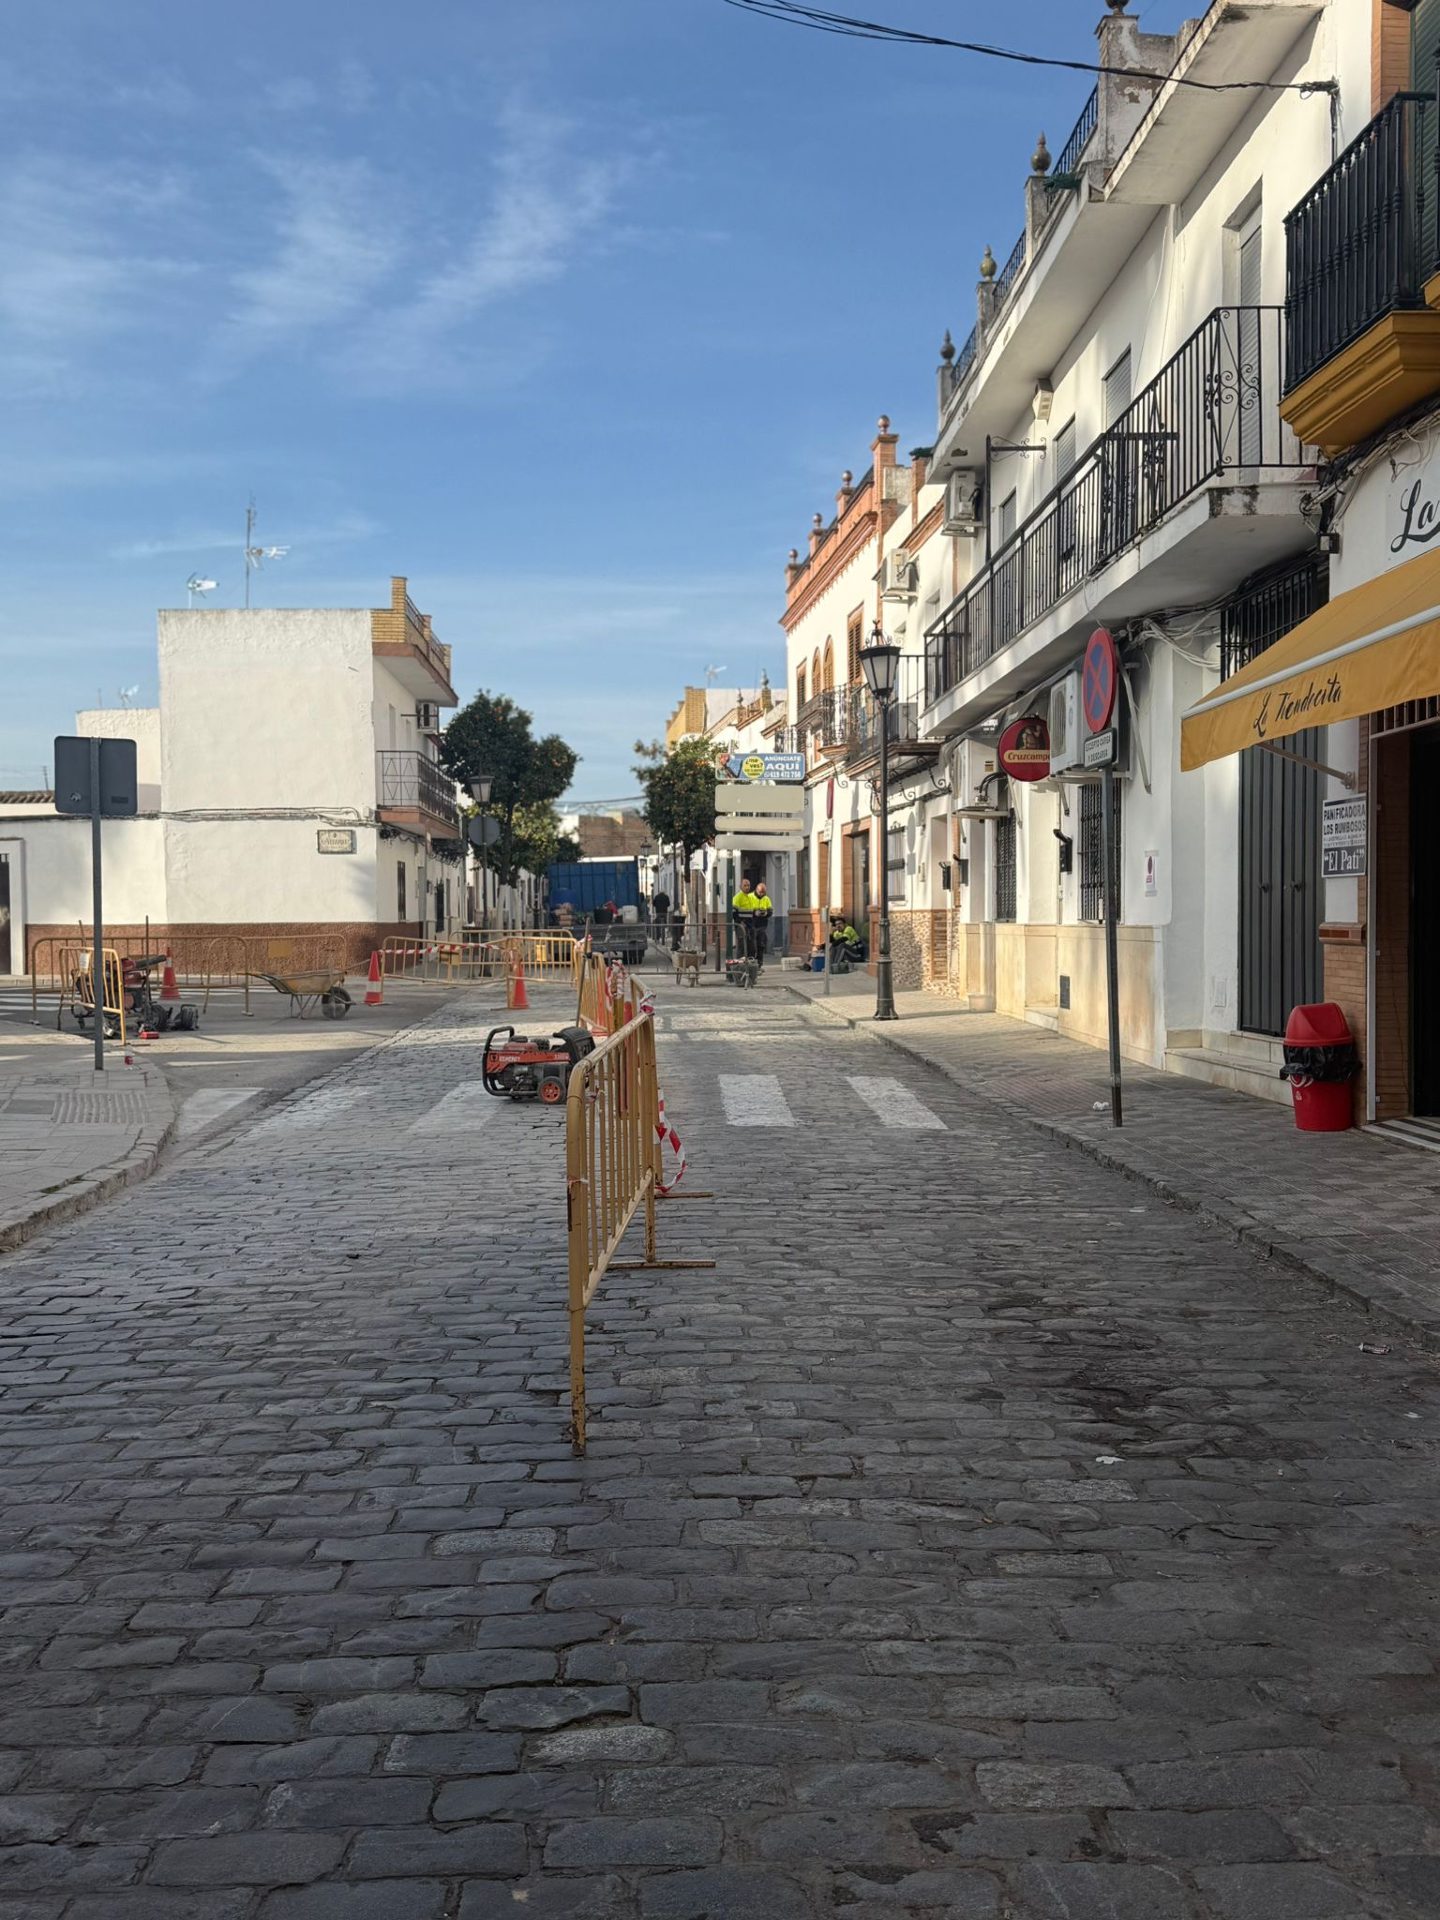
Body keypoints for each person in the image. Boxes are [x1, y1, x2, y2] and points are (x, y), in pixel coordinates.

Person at [751, 881, 774, 968]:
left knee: (761, 944)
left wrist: (766, 913)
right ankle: (752, 961)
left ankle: (759, 963)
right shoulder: (750, 897)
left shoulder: (766, 899)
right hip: (752, 923)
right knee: (752, 945)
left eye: (763, 892)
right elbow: (746, 910)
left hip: (762, 924)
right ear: (756, 890)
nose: (762, 894)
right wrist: (754, 912)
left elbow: (770, 911)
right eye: (760, 892)